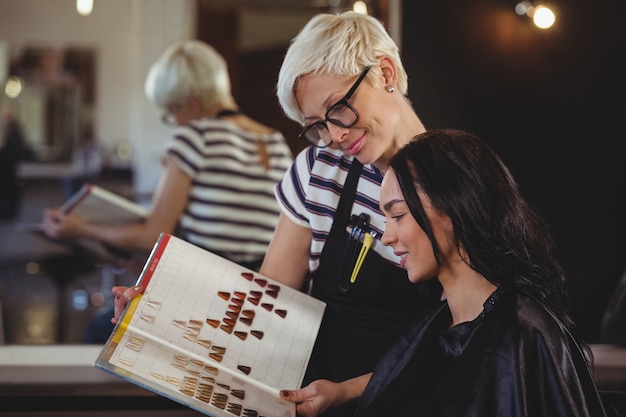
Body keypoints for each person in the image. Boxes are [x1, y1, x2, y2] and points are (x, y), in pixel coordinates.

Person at [113, 11, 442, 417]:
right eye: (316, 125)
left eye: (339, 108)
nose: (334, 136)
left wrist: (347, 392)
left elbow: (458, 342)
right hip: (313, 402)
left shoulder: (454, 183)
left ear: (386, 72)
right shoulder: (319, 170)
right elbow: (268, 305)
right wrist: (159, 314)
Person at [42, 40, 293, 341]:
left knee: (99, 331)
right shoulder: (275, 142)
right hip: (258, 302)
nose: (172, 122)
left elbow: (153, 235)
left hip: (208, 298)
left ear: (191, 105)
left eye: (170, 112)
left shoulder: (192, 138)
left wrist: (81, 229)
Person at [348, 129, 607, 416]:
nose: (386, 237)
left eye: (397, 216)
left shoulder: (525, 335)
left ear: (453, 206)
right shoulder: (437, 327)